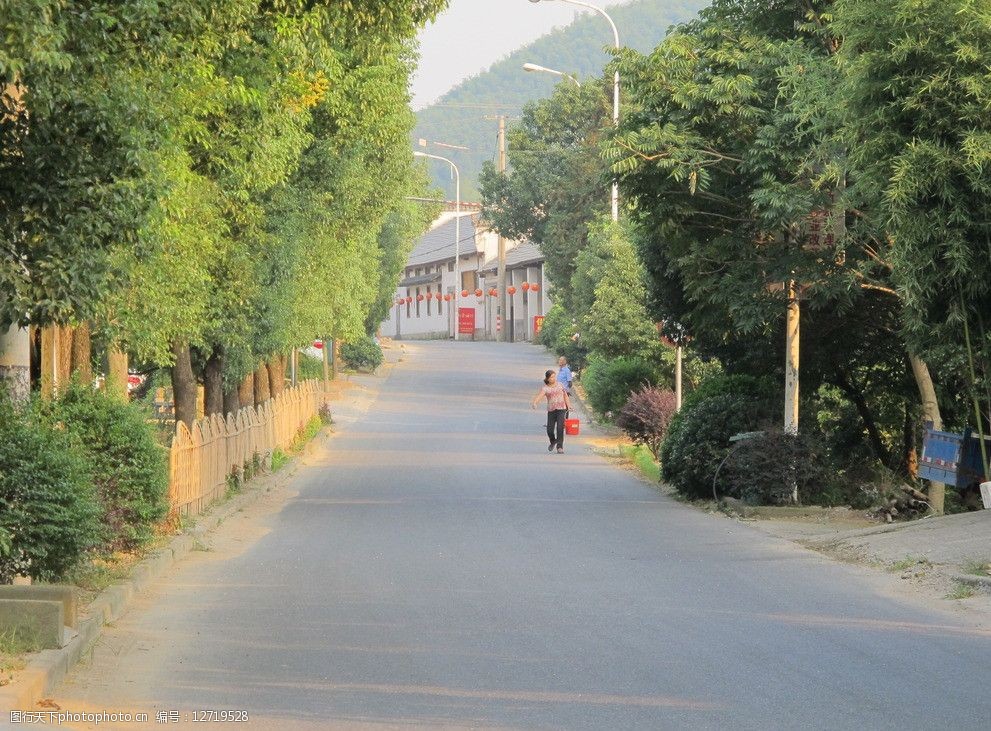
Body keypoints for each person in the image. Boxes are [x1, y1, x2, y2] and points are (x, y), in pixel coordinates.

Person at [531, 369, 572, 453]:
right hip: (551, 410)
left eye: (554, 376)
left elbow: (565, 396)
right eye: (552, 377)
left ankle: (560, 447)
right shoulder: (545, 388)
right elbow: (540, 396)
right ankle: (553, 441)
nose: (553, 378)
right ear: (548, 378)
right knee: (549, 430)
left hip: (561, 409)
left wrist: (569, 405)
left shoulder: (560, 385)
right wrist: (535, 403)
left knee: (560, 427)